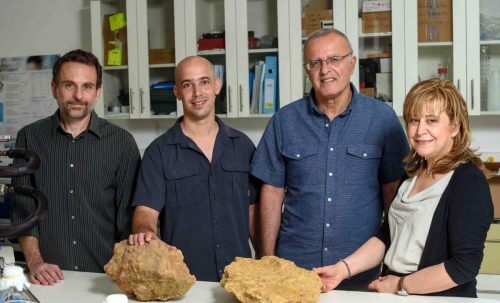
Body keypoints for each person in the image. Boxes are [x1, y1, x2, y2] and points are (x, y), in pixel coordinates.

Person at [250, 28, 409, 288]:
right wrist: (267, 261)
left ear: (352, 63)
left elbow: (394, 193)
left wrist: (393, 263)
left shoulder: (382, 119)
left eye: (334, 59)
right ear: (307, 70)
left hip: (361, 273)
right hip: (294, 271)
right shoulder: (284, 121)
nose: (325, 70)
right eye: (315, 63)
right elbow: (271, 192)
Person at [314, 78, 494, 297]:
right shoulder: (410, 176)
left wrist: (400, 285)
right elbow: (387, 237)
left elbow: (464, 266)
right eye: (414, 120)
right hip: (398, 294)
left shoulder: (467, 182)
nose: (420, 130)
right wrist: (341, 270)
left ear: (454, 126)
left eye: (432, 120)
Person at [10, 49, 141, 285]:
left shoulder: (122, 143)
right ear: (54, 88)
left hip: (105, 278)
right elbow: (23, 211)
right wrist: (35, 262)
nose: (78, 95)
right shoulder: (29, 137)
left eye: (87, 86)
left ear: (98, 92)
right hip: (48, 278)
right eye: (69, 85)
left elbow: (128, 220)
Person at [128, 56, 260, 282]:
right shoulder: (158, 153)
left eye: (204, 82)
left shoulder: (243, 146)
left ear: (217, 85)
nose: (197, 93)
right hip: (183, 282)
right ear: (177, 92)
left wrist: (267, 263)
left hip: (240, 280)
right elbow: (145, 214)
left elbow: (253, 214)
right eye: (187, 84)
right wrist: (145, 232)